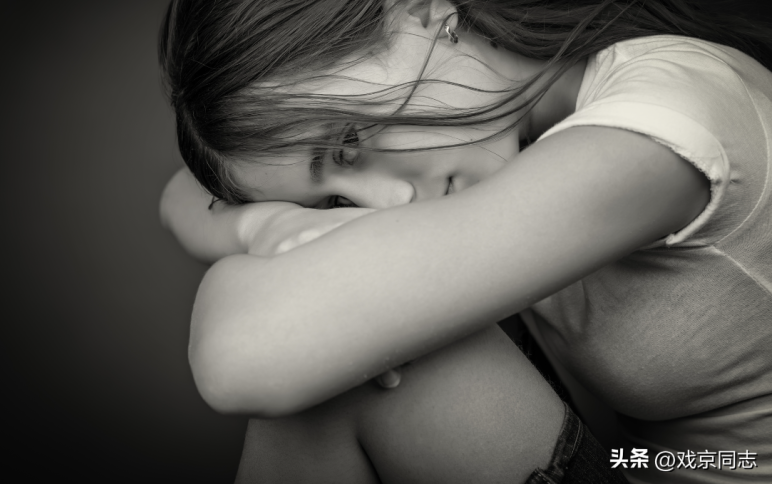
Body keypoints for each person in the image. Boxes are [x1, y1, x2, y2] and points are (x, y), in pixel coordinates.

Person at [158, 0, 772, 483]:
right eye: (334, 203)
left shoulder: (658, 125)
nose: (388, 203)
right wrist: (267, 225)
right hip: (637, 464)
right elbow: (181, 194)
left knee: (336, 351)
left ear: (424, 13)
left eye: (348, 144)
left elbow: (241, 358)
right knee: (339, 332)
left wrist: (292, 248)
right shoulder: (524, 123)